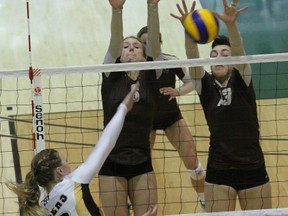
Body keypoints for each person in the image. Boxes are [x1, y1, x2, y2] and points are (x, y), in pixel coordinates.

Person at [171, 0, 272, 212]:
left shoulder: (242, 78)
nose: (219, 58)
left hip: (253, 168)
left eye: (226, 55)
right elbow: (192, 56)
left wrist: (231, 25)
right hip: (219, 170)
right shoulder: (204, 83)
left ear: (233, 61)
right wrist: (190, 30)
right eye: (214, 55)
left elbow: (239, 49)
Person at [6, 82, 159, 216]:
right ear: (59, 170)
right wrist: (123, 107)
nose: (67, 164)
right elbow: (106, 142)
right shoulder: (73, 183)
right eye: (64, 161)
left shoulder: (44, 207)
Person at [99, 0, 162, 215]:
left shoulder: (152, 76)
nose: (131, 50)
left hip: (142, 162)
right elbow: (114, 42)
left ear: (144, 56)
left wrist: (152, 6)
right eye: (126, 47)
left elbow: (154, 43)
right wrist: (117, 10)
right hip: (111, 163)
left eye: (136, 47)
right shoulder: (110, 75)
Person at [137, 26, 206, 208]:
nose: (147, 45)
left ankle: (205, 200)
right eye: (143, 43)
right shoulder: (133, 66)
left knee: (193, 162)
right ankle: (135, 203)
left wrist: (179, 91)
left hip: (171, 117)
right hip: (144, 122)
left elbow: (193, 81)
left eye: (151, 42)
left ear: (159, 44)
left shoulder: (170, 61)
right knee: (139, 165)